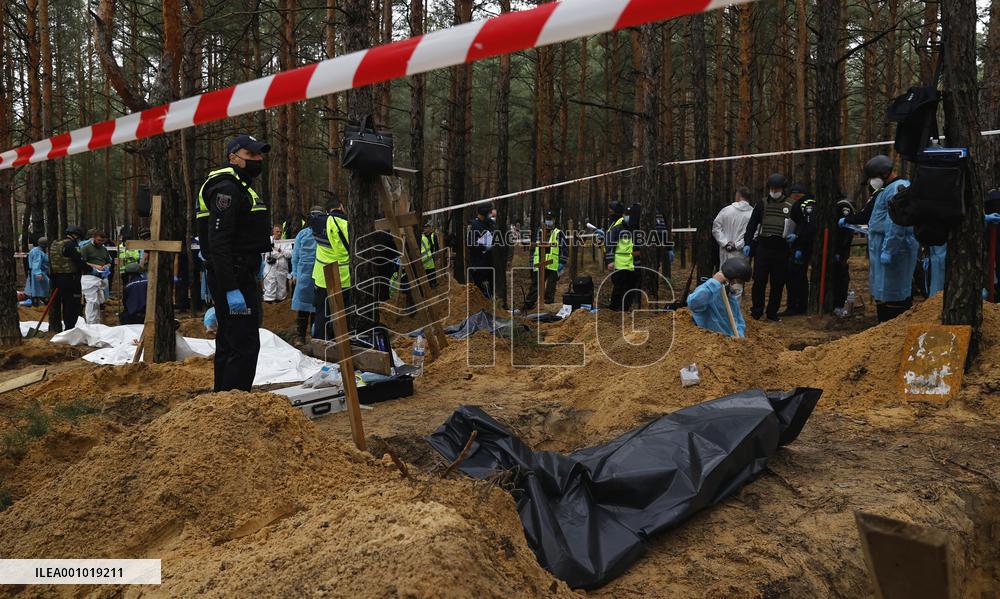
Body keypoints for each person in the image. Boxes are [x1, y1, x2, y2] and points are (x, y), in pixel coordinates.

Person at [197, 133, 272, 392]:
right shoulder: (226, 188)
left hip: (239, 271)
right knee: (243, 344)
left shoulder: (239, 185)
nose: (258, 159)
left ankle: (224, 402)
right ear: (233, 157)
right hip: (234, 275)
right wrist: (230, 287)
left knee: (231, 341)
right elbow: (219, 241)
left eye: (260, 154)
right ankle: (234, 404)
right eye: (251, 155)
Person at [854, 154, 917, 322]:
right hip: (882, 246)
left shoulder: (898, 187)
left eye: (872, 178)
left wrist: (890, 249)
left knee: (894, 293)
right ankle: (885, 327)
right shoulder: (885, 190)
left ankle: (896, 328)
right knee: (883, 292)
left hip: (895, 249)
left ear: (883, 174)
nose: (871, 182)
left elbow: (896, 223)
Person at [743, 173, 798, 321]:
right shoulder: (761, 204)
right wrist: (748, 243)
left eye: (777, 188)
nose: (774, 191)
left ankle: (772, 313)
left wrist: (796, 238)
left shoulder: (792, 205)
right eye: (772, 188)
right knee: (759, 281)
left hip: (782, 249)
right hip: (763, 248)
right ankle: (756, 311)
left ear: (783, 189)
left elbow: (800, 224)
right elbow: (752, 225)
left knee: (778, 282)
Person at [311, 198, 351, 340]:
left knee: (322, 314)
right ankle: (338, 345)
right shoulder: (349, 225)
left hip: (322, 279)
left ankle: (320, 345)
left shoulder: (318, 223)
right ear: (341, 206)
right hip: (344, 279)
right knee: (342, 316)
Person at [688, 257, 751, 337]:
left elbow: (739, 321)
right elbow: (694, 304)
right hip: (709, 340)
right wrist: (714, 283)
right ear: (728, 278)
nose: (739, 285)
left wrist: (739, 336)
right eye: (738, 281)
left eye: (741, 282)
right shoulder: (708, 291)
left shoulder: (731, 298)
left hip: (728, 342)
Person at [522, 210, 567, 311]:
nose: (549, 221)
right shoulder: (538, 232)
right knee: (535, 287)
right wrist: (531, 263)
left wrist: (562, 262)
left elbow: (564, 248)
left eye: (550, 219)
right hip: (539, 264)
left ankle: (547, 308)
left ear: (554, 220)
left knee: (550, 288)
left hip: (553, 265)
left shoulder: (558, 233)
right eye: (547, 219)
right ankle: (527, 306)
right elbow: (533, 249)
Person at [48, 225, 90, 332]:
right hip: (70, 278)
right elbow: (78, 260)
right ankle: (69, 328)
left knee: (60, 302)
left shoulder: (55, 244)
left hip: (55, 278)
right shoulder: (71, 245)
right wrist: (90, 269)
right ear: (76, 235)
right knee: (72, 304)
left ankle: (58, 327)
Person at [784, 185, 818, 316]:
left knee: (798, 277)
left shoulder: (807, 205)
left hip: (804, 246)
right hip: (799, 245)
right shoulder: (801, 205)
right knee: (793, 276)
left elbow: (810, 226)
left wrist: (799, 240)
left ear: (796, 195)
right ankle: (794, 305)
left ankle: (800, 306)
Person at [291, 206, 322, 343]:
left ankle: (312, 337)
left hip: (316, 274)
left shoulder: (323, 233)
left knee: (315, 307)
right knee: (305, 307)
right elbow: (295, 255)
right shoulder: (304, 234)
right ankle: (301, 337)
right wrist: (295, 273)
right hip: (307, 274)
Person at [605, 201, 638, 311]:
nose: (628, 217)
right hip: (619, 263)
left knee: (630, 287)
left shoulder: (634, 228)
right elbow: (610, 244)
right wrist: (610, 260)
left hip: (630, 264)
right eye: (626, 215)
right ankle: (614, 308)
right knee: (618, 287)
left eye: (630, 215)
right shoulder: (617, 228)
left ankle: (625, 308)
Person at [712, 187, 754, 265]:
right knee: (740, 275)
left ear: (738, 196)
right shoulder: (753, 214)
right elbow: (754, 234)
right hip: (742, 254)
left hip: (725, 252)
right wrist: (738, 245)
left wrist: (725, 242)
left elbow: (716, 228)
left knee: (724, 275)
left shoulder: (726, 210)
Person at [80, 230, 112, 324]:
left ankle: (96, 322)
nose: (100, 242)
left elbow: (109, 261)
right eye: (98, 240)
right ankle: (90, 322)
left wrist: (107, 266)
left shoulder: (103, 249)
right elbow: (82, 262)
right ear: (93, 238)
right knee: (91, 301)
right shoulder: (86, 248)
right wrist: (94, 266)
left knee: (98, 301)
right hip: (89, 277)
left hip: (101, 277)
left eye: (102, 241)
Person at [831, 196, 856, 309]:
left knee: (841, 278)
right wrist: (838, 251)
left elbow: (846, 232)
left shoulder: (844, 206)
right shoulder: (842, 206)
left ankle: (839, 304)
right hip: (838, 250)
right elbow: (842, 233)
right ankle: (837, 303)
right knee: (839, 278)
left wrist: (840, 252)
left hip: (841, 251)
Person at [467, 204, 495, 298]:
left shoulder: (490, 223)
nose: (490, 215)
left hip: (490, 262)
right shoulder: (473, 225)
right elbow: (471, 243)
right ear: (484, 214)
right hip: (478, 263)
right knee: (482, 290)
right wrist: (484, 246)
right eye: (489, 213)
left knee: (491, 288)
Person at [262, 225, 292, 302]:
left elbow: (289, 254)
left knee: (281, 284)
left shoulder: (286, 242)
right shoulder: (267, 240)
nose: (279, 233)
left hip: (282, 267)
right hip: (269, 267)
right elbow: (262, 252)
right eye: (277, 231)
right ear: (273, 232)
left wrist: (279, 250)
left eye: (280, 232)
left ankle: (280, 299)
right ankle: (268, 299)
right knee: (270, 283)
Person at [25, 237, 50, 306]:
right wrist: (38, 274)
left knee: (35, 290)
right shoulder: (38, 252)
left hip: (37, 272)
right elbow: (36, 263)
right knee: (40, 290)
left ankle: (38, 304)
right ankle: (38, 305)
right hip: (38, 273)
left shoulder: (35, 250)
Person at [420, 221, 439, 288]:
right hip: (424, 256)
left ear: (429, 228)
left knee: (432, 270)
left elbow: (436, 246)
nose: (425, 229)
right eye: (424, 228)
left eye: (426, 228)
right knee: (427, 270)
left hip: (431, 254)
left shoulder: (433, 236)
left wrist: (436, 254)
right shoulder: (422, 236)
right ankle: (429, 283)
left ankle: (433, 283)